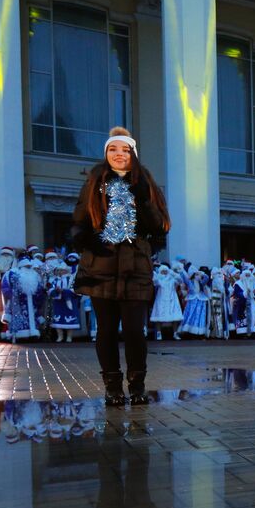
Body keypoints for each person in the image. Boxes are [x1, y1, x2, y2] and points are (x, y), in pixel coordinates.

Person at [71, 127, 169, 406]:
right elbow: (80, 218)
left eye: (125, 150)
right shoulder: (97, 180)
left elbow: (160, 226)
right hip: (101, 264)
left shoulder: (145, 182)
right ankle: (112, 387)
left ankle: (137, 386)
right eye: (113, 149)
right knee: (106, 330)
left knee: (136, 331)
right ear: (106, 153)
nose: (119, 155)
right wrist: (86, 240)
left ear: (133, 154)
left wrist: (143, 198)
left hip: (135, 267)